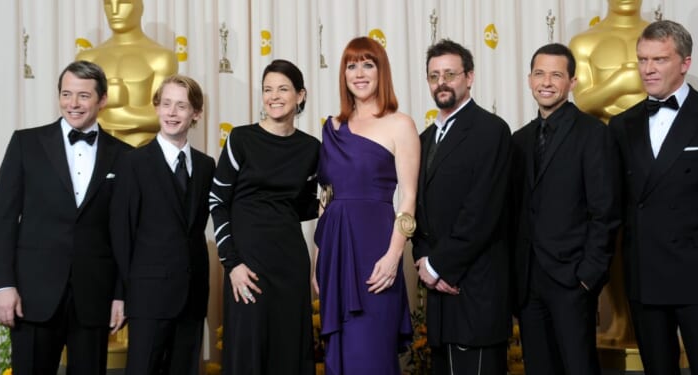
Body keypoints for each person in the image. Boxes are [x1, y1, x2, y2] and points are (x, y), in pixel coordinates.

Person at [609, 20, 698, 374]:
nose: (648, 69)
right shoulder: (622, 125)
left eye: (659, 59)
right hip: (645, 276)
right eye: (642, 60)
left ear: (685, 62)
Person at [0, 60, 131, 374]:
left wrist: (121, 295)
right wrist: (3, 285)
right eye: (66, 94)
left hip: (94, 297)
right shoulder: (25, 144)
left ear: (103, 100)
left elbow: (124, 232)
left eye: (83, 96)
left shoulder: (125, 156)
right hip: (32, 296)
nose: (73, 104)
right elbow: (2, 220)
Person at [511, 43, 620, 375]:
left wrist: (588, 276)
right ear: (529, 79)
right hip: (528, 283)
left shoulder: (592, 134)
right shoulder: (519, 139)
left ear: (572, 82)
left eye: (556, 75)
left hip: (572, 280)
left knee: (578, 367)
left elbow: (606, 210)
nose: (546, 82)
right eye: (540, 74)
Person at [313, 36, 419, 375]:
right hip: (334, 252)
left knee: (370, 353)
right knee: (338, 353)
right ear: (343, 74)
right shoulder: (331, 128)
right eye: (351, 65)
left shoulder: (400, 124)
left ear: (381, 71)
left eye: (367, 64)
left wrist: (393, 257)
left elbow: (409, 197)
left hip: (376, 253)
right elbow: (324, 198)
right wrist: (318, 257)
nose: (359, 73)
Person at [210, 59, 320, 375]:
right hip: (247, 267)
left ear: (300, 95)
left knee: (289, 354)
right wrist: (232, 265)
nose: (273, 96)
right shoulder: (241, 139)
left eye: (283, 88)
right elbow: (218, 201)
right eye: (267, 89)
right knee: (248, 354)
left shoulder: (312, 148)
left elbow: (306, 208)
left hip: (290, 267)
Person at [413, 39, 512, 374]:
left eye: (450, 74)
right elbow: (418, 211)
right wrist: (424, 263)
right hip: (440, 295)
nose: (441, 82)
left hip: (475, 288)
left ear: (469, 77)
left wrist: (439, 265)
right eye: (434, 75)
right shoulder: (424, 139)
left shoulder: (491, 131)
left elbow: (483, 211)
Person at [110, 74, 214, 374]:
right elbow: (121, 233)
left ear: (196, 113)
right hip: (147, 297)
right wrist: (120, 294)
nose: (171, 112)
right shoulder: (133, 163)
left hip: (193, 298)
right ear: (156, 108)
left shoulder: (207, 166)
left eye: (181, 106)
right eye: (166, 104)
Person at [569, 0, 650, 346]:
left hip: (653, 152)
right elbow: (584, 101)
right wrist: (624, 79)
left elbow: (666, 93)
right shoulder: (584, 42)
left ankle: (654, 322)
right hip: (604, 155)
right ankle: (620, 320)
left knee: (652, 236)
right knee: (610, 238)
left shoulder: (659, 37)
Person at [77, 0, 178, 147]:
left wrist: (115, 113)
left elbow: (165, 115)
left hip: (141, 151)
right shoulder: (87, 58)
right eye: (108, 4)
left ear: (140, 6)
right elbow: (76, 111)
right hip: (93, 153)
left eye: (123, 3)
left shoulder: (161, 58)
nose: (114, 10)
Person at [569, 0, 648, 124]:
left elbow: (673, 93)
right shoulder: (583, 43)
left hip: (657, 135)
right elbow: (582, 103)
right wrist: (620, 82)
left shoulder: (664, 40)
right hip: (603, 135)